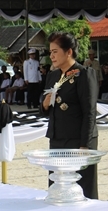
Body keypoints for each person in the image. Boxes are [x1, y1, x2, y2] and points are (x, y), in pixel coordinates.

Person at [41, 32, 99, 199]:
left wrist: (85, 145)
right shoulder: (53, 75)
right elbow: (45, 108)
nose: (51, 56)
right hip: (58, 137)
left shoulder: (84, 74)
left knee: (81, 189)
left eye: (55, 51)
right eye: (50, 52)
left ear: (69, 52)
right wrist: (45, 104)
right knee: (58, 188)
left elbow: (89, 112)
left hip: (78, 140)